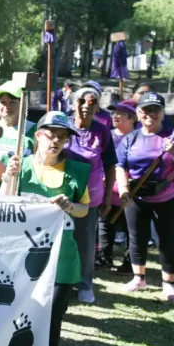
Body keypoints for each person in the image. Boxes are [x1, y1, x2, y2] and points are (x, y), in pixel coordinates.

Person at [0, 112, 90, 346]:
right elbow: (4, 204)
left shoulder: (76, 170)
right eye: (52, 135)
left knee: (53, 315)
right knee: (22, 308)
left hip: (62, 256)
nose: (57, 141)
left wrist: (68, 206)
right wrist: (8, 177)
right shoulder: (19, 166)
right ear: (38, 135)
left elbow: (84, 209)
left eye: (63, 137)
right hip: (23, 255)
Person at [116, 92, 174, 302]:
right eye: (146, 110)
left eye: (155, 110)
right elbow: (120, 166)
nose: (150, 114)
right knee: (136, 237)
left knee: (167, 239)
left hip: (169, 195)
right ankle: (139, 278)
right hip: (136, 196)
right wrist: (123, 190)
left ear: (163, 113)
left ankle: (169, 284)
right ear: (138, 113)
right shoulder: (130, 138)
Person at [64, 87, 116, 304]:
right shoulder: (62, 124)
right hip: (61, 193)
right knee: (61, 240)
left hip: (90, 197)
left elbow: (110, 165)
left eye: (92, 102)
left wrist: (107, 198)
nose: (86, 106)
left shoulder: (102, 131)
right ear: (73, 103)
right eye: (81, 101)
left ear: (97, 106)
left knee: (85, 244)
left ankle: (85, 284)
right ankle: (61, 282)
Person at [97, 100, 137, 272]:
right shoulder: (107, 135)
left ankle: (130, 261)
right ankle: (104, 257)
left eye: (120, 113)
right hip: (107, 189)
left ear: (133, 118)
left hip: (131, 190)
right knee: (105, 223)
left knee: (131, 228)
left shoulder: (139, 137)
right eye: (114, 113)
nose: (115, 116)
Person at [0, 81, 36, 162]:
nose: (7, 106)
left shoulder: (35, 131)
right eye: (3, 102)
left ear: (23, 104)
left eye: (12, 102)